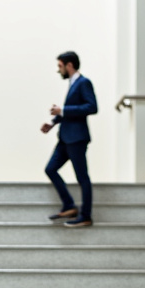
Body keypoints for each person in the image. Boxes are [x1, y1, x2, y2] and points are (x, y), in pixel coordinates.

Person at [41, 51, 97, 228]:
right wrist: (52, 122)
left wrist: (63, 110)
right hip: (65, 138)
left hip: (77, 138)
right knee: (50, 169)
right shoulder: (73, 83)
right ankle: (69, 205)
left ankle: (86, 216)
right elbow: (67, 112)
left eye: (60, 66)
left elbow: (92, 107)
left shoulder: (83, 82)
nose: (59, 70)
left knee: (82, 177)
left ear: (69, 65)